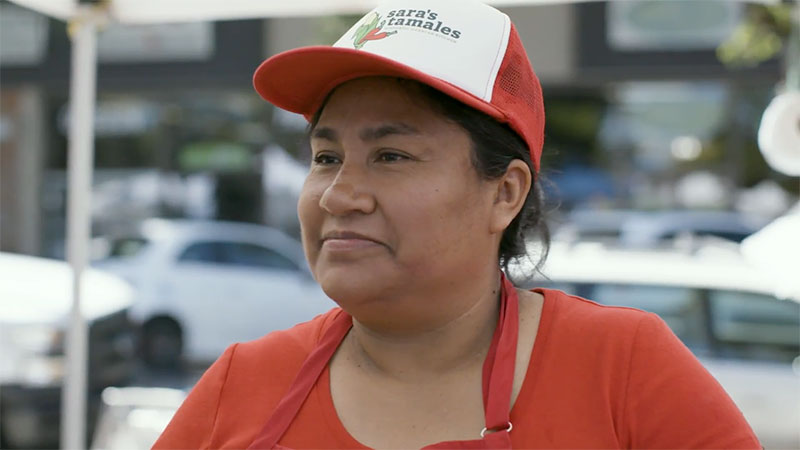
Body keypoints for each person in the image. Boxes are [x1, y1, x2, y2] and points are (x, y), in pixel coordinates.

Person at [153, 0, 761, 448]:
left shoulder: (623, 369)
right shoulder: (240, 384)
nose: (339, 195)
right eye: (326, 157)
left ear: (505, 193)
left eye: (391, 156)